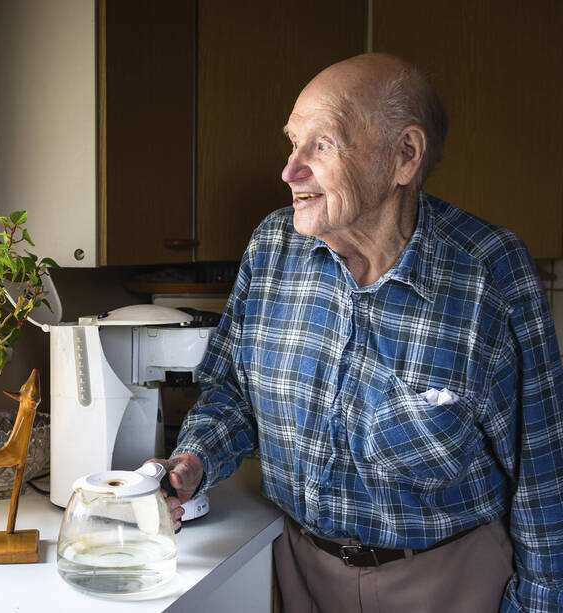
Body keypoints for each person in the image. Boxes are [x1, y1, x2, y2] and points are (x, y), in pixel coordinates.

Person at [153, 53, 563, 612]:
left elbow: (544, 470)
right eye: (293, 142)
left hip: (448, 581)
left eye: (322, 145)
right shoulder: (272, 246)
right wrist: (194, 461)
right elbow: (234, 393)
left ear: (405, 155)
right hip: (303, 571)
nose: (290, 171)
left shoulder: (490, 271)